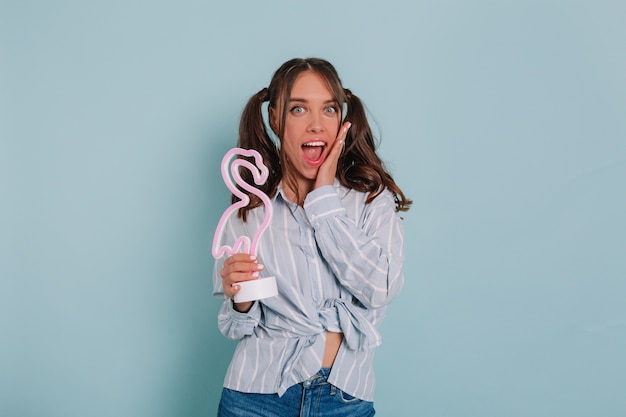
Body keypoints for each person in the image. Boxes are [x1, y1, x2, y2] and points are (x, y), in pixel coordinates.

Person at [213, 57, 412, 417]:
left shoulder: (371, 201)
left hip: (344, 398)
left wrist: (323, 200)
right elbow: (236, 326)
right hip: (255, 396)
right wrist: (240, 299)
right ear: (275, 118)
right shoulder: (249, 212)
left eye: (329, 109)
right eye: (299, 109)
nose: (316, 124)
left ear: (342, 119)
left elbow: (380, 288)